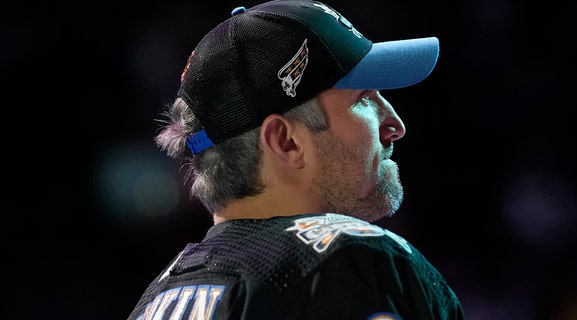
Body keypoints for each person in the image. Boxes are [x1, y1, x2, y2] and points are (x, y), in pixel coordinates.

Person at [127, 0, 465, 319]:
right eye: (363, 98)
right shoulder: (351, 261)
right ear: (285, 141)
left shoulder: (155, 301)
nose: (395, 125)